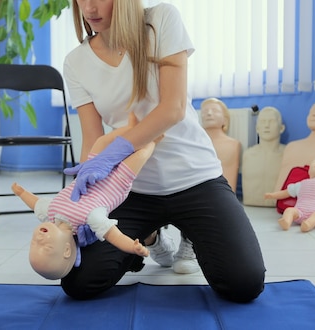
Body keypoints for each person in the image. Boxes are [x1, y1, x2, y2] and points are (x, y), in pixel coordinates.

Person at [61, 1, 265, 303]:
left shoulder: (160, 21)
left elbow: (172, 109)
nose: (89, 7)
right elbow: (92, 139)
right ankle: (151, 237)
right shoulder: (76, 62)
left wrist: (117, 149)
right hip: (131, 190)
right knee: (78, 282)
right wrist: (84, 206)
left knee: (244, 283)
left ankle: (191, 236)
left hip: (196, 181)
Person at [12, 114, 154, 280]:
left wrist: (22, 194)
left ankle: (131, 128)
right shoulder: (88, 220)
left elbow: (37, 204)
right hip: (115, 184)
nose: (39, 238)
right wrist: (132, 247)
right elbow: (114, 235)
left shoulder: (51, 213)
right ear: (66, 250)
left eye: (34, 243)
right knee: (138, 156)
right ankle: (153, 139)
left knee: (101, 142)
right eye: (47, 246)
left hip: (90, 172)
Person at [264, 158, 315, 232]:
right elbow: (286, 192)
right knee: (290, 210)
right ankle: (286, 221)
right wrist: (272, 195)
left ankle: (308, 224)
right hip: (299, 211)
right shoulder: (301, 183)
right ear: (309, 171)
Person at [242, 106, 286, 207]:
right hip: (250, 203)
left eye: (271, 121)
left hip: (276, 206)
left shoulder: (287, 154)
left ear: (281, 128)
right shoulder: (248, 154)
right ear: (257, 128)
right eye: (263, 121)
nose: (266, 125)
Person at [200, 97, 242, 192]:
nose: (209, 113)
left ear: (225, 119)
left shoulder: (232, 145)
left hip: (222, 195)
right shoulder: (195, 144)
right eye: (205, 111)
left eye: (215, 110)